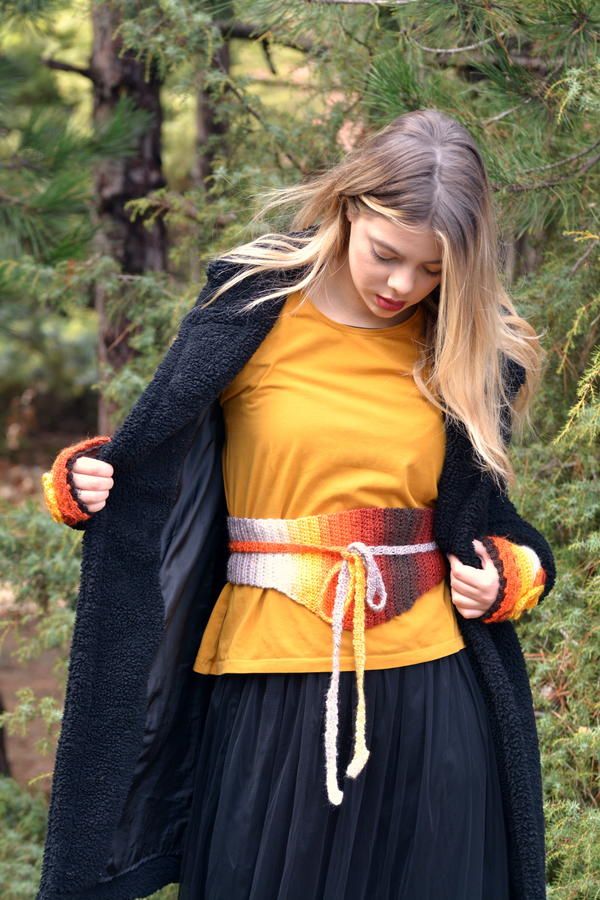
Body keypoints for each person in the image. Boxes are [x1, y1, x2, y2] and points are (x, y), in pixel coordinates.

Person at [39, 109, 555, 900]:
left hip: (433, 691)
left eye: (431, 272)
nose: (401, 286)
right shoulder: (251, 309)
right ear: (349, 207)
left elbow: (493, 526)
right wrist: (84, 482)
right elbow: (147, 464)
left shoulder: (461, 351)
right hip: (267, 685)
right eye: (388, 255)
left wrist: (506, 571)